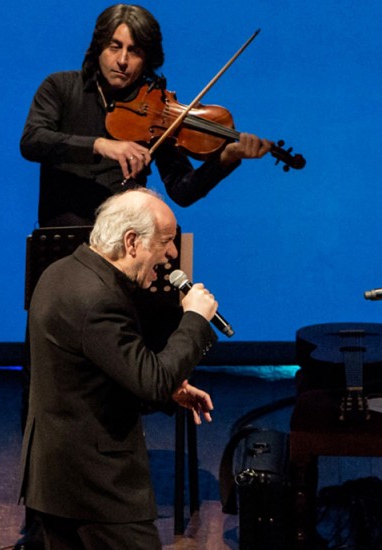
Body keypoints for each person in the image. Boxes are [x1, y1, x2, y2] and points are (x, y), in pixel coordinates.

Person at [19, 188, 219, 549]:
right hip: (96, 486)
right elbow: (151, 382)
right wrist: (194, 320)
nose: (172, 254)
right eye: (165, 242)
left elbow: (91, 373)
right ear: (131, 242)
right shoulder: (99, 300)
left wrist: (170, 388)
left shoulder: (62, 273)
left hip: (56, 481)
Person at [20, 3, 273, 228]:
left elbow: (182, 191)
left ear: (148, 60)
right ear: (98, 48)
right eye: (114, 47)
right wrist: (101, 145)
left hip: (125, 245)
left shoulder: (157, 110)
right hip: (66, 235)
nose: (122, 60)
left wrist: (226, 158)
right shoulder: (60, 87)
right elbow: (33, 141)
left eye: (135, 52)